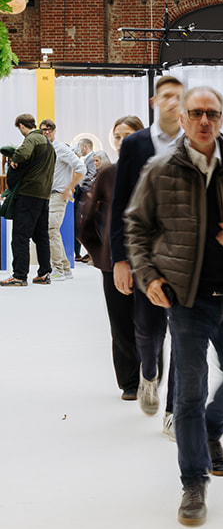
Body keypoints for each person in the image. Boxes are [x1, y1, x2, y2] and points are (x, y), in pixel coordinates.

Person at [125, 85, 223, 526]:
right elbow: (136, 226)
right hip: (186, 301)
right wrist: (148, 276)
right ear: (184, 119)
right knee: (188, 394)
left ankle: (212, 432)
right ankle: (193, 481)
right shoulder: (160, 170)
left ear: (222, 119)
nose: (204, 120)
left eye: (211, 113)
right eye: (196, 113)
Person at [110, 75, 184, 424]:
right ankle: (149, 374)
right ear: (154, 101)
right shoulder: (135, 144)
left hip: (187, 254)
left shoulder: (198, 140)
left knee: (185, 332)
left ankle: (174, 411)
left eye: (179, 96)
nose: (173, 102)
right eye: (166, 96)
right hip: (145, 254)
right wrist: (120, 259)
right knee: (148, 328)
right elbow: (120, 204)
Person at [78, 116, 144, 401]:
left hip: (150, 262)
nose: (121, 141)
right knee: (121, 324)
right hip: (114, 263)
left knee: (152, 324)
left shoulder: (157, 172)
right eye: (117, 136)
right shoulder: (107, 174)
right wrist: (100, 254)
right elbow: (86, 221)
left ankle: (150, 376)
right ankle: (130, 382)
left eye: (128, 135)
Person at [0, 113, 55, 286]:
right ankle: (44, 273)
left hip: (29, 193)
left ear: (22, 126)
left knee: (20, 236)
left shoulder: (32, 138)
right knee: (41, 236)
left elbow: (23, 154)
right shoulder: (48, 143)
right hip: (44, 195)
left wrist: (14, 160)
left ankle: (19, 276)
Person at [39, 120, 85, 281]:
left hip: (58, 195)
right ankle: (65, 268)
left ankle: (58, 268)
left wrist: (69, 188)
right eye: (43, 129)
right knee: (52, 231)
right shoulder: (46, 149)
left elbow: (81, 168)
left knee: (51, 230)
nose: (46, 132)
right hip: (48, 196)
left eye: (49, 129)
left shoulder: (61, 148)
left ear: (54, 131)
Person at [73, 138, 98, 262]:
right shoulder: (88, 159)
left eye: (80, 146)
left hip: (87, 195)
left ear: (85, 147)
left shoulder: (91, 159)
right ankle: (89, 253)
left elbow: (92, 176)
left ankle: (92, 253)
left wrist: (82, 186)